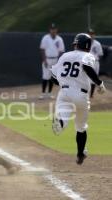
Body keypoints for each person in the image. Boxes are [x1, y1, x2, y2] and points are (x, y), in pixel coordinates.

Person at [51, 33, 106, 165]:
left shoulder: (65, 55)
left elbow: (53, 77)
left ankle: (61, 122)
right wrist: (99, 83)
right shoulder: (88, 55)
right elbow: (87, 67)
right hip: (81, 95)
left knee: (63, 117)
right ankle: (80, 154)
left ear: (76, 44)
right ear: (88, 46)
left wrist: (65, 82)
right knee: (81, 127)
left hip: (64, 92)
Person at [40, 23, 65, 99]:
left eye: (54, 29)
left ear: (56, 30)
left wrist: (59, 61)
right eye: (52, 29)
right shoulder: (45, 38)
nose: (53, 30)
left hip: (55, 59)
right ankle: (43, 93)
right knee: (45, 76)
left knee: (52, 76)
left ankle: (50, 93)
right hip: (47, 59)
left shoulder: (59, 39)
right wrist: (44, 60)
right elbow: (42, 49)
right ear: (49, 30)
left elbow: (61, 51)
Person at [88, 29, 104, 98]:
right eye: (89, 34)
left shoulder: (97, 44)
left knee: (94, 78)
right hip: (87, 62)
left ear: (94, 35)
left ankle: (91, 94)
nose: (91, 35)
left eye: (92, 34)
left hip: (95, 62)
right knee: (85, 78)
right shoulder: (84, 43)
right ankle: (85, 93)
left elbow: (100, 54)